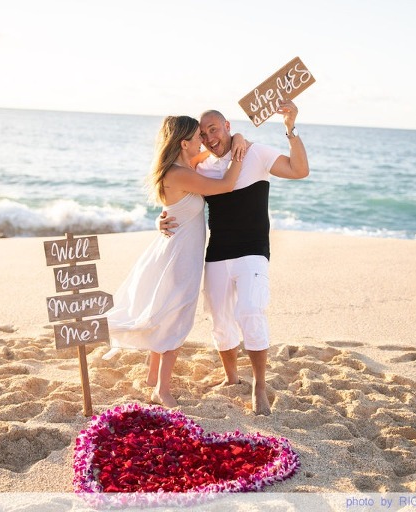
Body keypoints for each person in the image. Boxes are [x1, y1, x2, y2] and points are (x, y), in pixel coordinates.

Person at [158, 100, 309, 415]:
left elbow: (299, 170)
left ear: (227, 126)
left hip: (252, 249)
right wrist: (163, 217)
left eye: (215, 129)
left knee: (251, 310)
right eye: (204, 133)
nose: (210, 137)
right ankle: (231, 378)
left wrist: (290, 128)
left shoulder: (256, 153)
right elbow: (175, 185)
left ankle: (260, 386)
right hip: (217, 252)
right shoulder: (201, 165)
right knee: (220, 320)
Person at [105, 115, 246, 408]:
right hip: (180, 255)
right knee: (176, 315)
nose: (204, 141)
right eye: (198, 137)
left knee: (167, 310)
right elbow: (229, 184)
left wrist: (239, 140)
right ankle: (162, 390)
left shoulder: (186, 166)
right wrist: (240, 156)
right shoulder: (180, 173)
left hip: (182, 250)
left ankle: (152, 376)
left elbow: (217, 152)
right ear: (184, 143)